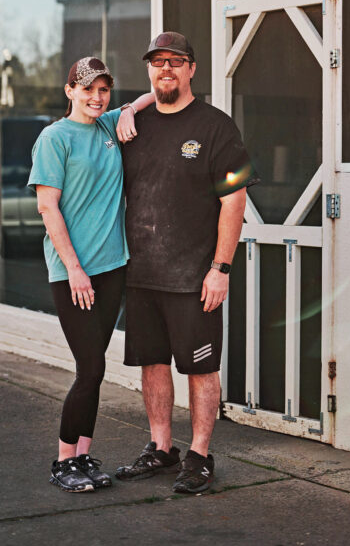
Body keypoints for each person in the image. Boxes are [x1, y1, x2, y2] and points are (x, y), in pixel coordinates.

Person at [115, 32, 257, 494]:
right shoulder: (134, 127)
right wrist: (129, 109)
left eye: (176, 61)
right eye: (158, 62)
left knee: (200, 369)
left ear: (193, 68)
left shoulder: (216, 127)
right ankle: (161, 448)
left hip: (195, 278)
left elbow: (234, 201)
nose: (166, 69)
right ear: (150, 71)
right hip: (141, 275)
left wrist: (222, 268)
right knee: (152, 364)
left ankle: (198, 455)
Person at [28, 56, 152, 493]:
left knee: (95, 370)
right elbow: (48, 207)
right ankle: (63, 461)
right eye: (87, 90)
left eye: (103, 90)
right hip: (72, 274)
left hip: (111, 269)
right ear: (70, 92)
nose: (97, 98)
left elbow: (153, 93)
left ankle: (83, 456)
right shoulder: (54, 138)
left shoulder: (107, 126)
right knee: (90, 366)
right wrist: (75, 270)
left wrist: (132, 110)